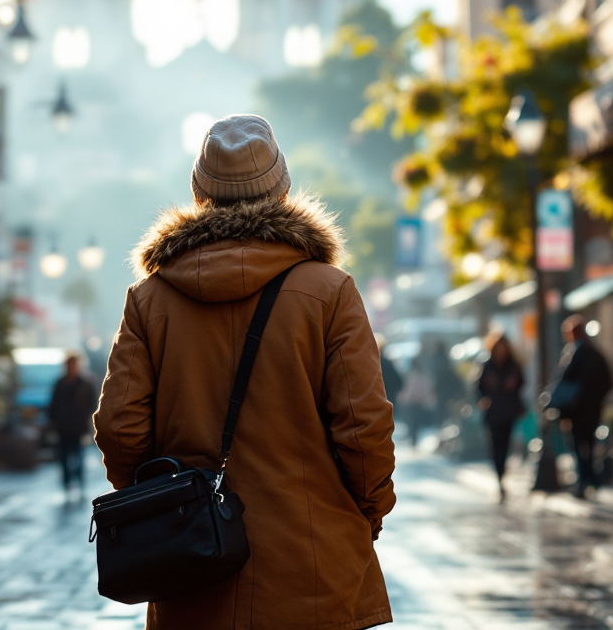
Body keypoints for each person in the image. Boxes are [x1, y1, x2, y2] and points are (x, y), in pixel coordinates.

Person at [94, 114, 396, 630]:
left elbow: (119, 430)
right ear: (282, 189)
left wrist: (164, 504)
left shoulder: (150, 299)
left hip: (193, 572)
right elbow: (365, 428)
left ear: (199, 193)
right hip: (315, 570)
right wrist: (365, 513)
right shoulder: (329, 292)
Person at [551, 315, 613, 498]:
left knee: (579, 446)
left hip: (577, 411)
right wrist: (596, 399)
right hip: (592, 409)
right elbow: (608, 381)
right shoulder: (595, 353)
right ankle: (590, 479)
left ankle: (585, 480)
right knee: (589, 444)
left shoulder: (573, 355)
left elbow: (564, 382)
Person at [476, 334, 526, 501]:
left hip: (508, 412)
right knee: (495, 446)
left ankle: (502, 474)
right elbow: (478, 387)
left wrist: (513, 384)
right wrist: (483, 399)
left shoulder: (513, 365)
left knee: (505, 445)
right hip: (493, 412)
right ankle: (499, 476)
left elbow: (521, 383)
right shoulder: (487, 365)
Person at [48, 351, 97, 500]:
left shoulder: (85, 383)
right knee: (64, 459)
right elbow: (53, 406)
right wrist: (52, 424)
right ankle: (67, 485)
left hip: (79, 429)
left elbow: (93, 405)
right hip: (63, 429)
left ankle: (80, 485)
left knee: (80, 458)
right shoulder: (60, 384)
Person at [398, 355, 436, 446]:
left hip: (413, 403)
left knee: (412, 423)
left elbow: (410, 391)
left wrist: (404, 400)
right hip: (421, 403)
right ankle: (414, 439)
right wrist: (430, 402)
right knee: (417, 423)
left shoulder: (412, 376)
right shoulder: (424, 376)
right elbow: (428, 390)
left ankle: (413, 439)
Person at [377, 335, 404, 419]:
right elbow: (398, 381)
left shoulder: (370, 364)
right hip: (388, 400)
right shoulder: (386, 363)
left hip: (376, 401)